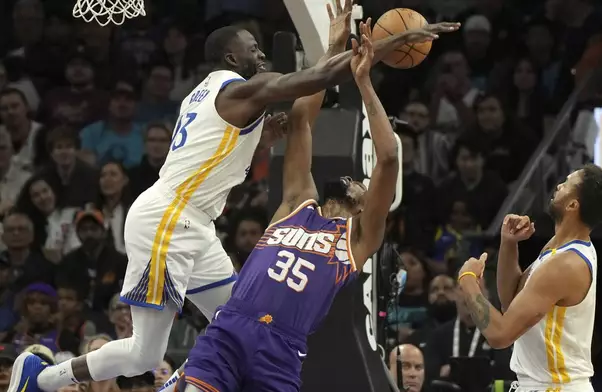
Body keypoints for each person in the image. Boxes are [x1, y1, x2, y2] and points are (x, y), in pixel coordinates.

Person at [8, 3, 460, 392]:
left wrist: (268, 130)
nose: (261, 54)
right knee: (146, 353)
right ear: (230, 57)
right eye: (253, 48)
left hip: (194, 224)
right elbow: (310, 85)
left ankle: (192, 378)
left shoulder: (213, 98)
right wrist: (375, 47)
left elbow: (268, 129)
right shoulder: (236, 88)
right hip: (169, 219)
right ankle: (41, 377)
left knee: (234, 317)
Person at [179, 20, 400, 392]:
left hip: (280, 349)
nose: (355, 180)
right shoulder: (298, 203)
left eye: (362, 183)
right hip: (230, 328)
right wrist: (329, 52)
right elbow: (301, 119)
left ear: (366, 206)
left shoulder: (358, 238)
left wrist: (363, 82)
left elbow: (389, 157)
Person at [456, 164, 602, 392]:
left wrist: (467, 281)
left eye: (567, 184)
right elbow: (511, 302)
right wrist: (509, 244)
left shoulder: (565, 264)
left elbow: (499, 335)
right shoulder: (558, 248)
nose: (559, 185)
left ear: (573, 204)